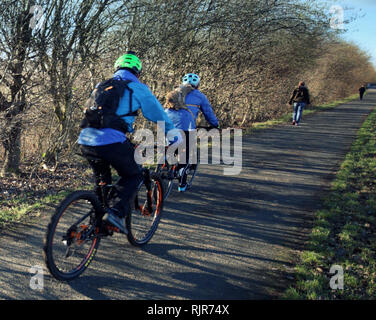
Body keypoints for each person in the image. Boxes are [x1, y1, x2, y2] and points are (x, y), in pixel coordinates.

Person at [78, 51, 180, 234]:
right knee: (134, 175)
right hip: (111, 141)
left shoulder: (101, 85)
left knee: (102, 181)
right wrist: (174, 137)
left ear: (117, 69)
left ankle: (96, 223)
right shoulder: (137, 87)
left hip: (86, 139)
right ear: (137, 72)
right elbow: (158, 115)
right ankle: (115, 213)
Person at [164, 73, 219, 192]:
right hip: (186, 127)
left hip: (166, 125)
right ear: (197, 85)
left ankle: (163, 164)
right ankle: (182, 185)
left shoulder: (173, 92)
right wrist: (215, 124)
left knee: (169, 146)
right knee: (185, 155)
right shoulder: (200, 96)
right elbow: (208, 112)